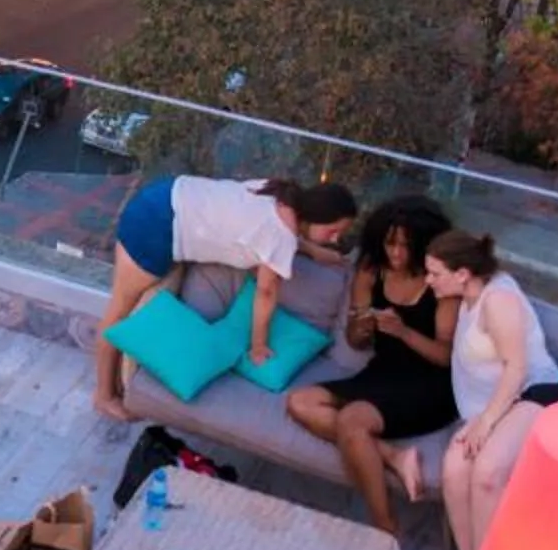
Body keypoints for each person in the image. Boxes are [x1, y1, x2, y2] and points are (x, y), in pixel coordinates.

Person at [392, 229, 558, 550]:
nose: (429, 280)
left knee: (487, 473)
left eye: (436, 273)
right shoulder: (464, 297)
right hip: (495, 405)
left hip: (533, 395)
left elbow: (517, 367)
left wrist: (486, 423)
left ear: (463, 273)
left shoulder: (498, 300)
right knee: (454, 470)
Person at [92, 176, 359, 420]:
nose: (336, 239)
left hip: (163, 194)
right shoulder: (281, 237)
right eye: (333, 231)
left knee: (119, 313)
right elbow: (265, 293)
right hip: (154, 227)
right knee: (118, 314)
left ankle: (110, 389)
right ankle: (103, 396)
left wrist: (314, 251)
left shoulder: (280, 193)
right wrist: (257, 346)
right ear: (316, 216)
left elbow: (269, 232)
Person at [283, 194, 459, 535]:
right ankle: (393, 456)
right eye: (389, 243)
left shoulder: (439, 282)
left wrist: (403, 332)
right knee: (300, 402)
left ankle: (384, 528)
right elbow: (355, 340)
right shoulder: (370, 270)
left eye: (405, 246)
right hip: (382, 374)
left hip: (431, 384)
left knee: (352, 420)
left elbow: (446, 357)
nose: (395, 253)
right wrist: (360, 329)